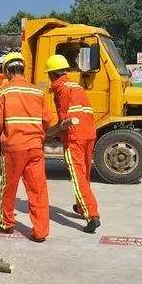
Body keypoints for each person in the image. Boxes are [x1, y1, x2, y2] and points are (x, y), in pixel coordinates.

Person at [0, 52, 51, 242]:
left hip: (13, 148)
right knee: (38, 190)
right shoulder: (37, 92)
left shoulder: (4, 92)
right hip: (35, 147)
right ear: (23, 69)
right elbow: (48, 120)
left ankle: (6, 223)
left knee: (9, 187)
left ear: (7, 71)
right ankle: (40, 232)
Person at [46, 54, 100, 233]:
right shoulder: (75, 85)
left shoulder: (60, 88)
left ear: (52, 74)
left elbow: (64, 120)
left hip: (74, 136)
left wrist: (47, 134)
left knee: (77, 175)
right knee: (84, 174)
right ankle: (81, 205)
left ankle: (92, 215)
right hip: (89, 133)